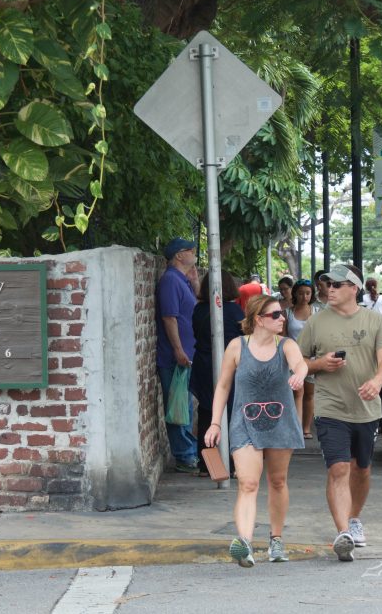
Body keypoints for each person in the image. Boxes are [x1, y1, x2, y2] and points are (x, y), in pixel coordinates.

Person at [297, 264, 382, 562]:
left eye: (338, 285)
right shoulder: (316, 322)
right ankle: (344, 534)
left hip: (366, 408)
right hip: (330, 407)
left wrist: (377, 382)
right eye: (328, 285)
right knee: (338, 468)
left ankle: (354, 517)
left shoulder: (374, 319)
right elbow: (299, 361)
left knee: (361, 468)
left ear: (354, 288)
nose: (330, 290)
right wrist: (319, 365)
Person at [205, 294, 308, 567]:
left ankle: (276, 539)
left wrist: (299, 373)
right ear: (258, 319)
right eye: (275, 315)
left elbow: (300, 363)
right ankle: (245, 543)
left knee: (277, 481)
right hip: (245, 422)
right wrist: (215, 422)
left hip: (280, 421)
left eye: (281, 314)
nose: (281, 318)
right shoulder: (237, 347)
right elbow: (223, 386)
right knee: (248, 482)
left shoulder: (286, 345)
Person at [190, 271, 245, 476]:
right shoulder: (234, 311)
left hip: (204, 365)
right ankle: (231, 465)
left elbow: (196, 333)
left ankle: (207, 466)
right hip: (230, 366)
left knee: (206, 414)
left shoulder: (199, 310)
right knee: (231, 414)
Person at [156, 237, 200, 473]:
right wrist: (178, 349)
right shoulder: (170, 281)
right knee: (178, 408)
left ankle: (188, 453)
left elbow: (198, 306)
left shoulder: (182, 280)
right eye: (189, 249)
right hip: (176, 357)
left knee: (185, 407)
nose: (194, 252)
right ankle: (184, 456)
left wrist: (194, 283)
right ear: (179, 256)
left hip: (186, 355)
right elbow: (169, 317)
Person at [285, 279, 316, 439]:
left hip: (311, 357)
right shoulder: (288, 312)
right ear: (295, 294)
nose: (305, 296)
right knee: (297, 392)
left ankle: (306, 428)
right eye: (301, 293)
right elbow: (282, 335)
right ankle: (296, 427)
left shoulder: (316, 312)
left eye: (308, 293)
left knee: (310, 394)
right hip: (292, 357)